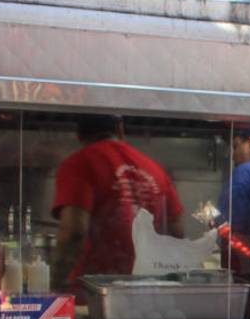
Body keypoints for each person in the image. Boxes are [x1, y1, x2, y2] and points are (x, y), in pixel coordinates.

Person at [52, 115, 184, 294]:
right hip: (147, 295)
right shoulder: (155, 169)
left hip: (95, 296)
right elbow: (176, 233)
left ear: (79, 135)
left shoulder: (79, 164)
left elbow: (74, 233)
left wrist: (54, 283)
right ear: (120, 129)